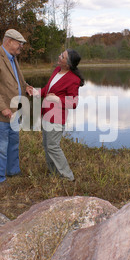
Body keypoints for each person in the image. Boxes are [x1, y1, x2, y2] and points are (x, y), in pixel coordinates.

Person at [0, 29, 34, 185]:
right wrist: (3, 108)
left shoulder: (13, 58)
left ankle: (13, 171)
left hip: (14, 112)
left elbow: (16, 81)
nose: (21, 47)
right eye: (19, 43)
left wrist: (26, 87)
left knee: (14, 144)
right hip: (2, 114)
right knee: (1, 147)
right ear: (9, 41)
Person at [38, 49, 85, 182]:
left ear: (68, 63)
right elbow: (47, 90)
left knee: (53, 146)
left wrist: (57, 99)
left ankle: (68, 176)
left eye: (62, 56)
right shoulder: (56, 71)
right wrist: (35, 92)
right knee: (47, 146)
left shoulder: (73, 79)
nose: (59, 56)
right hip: (46, 114)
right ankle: (54, 173)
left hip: (57, 117)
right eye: (61, 54)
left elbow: (73, 103)